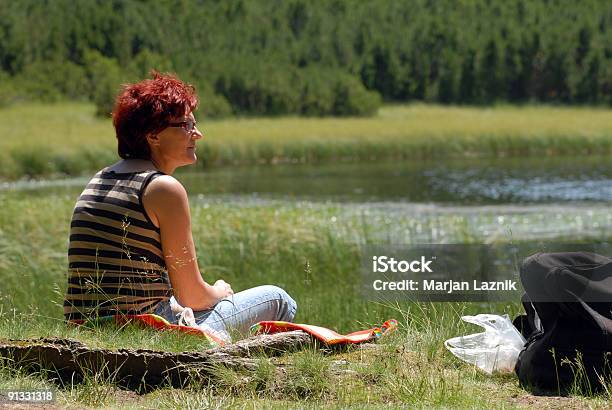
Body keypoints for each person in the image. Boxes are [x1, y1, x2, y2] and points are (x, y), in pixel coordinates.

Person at [63, 72, 297, 339]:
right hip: (148, 332)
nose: (197, 134)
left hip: (86, 331)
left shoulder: (100, 178)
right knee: (278, 298)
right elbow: (192, 296)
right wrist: (220, 291)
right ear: (153, 135)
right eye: (185, 125)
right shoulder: (162, 188)